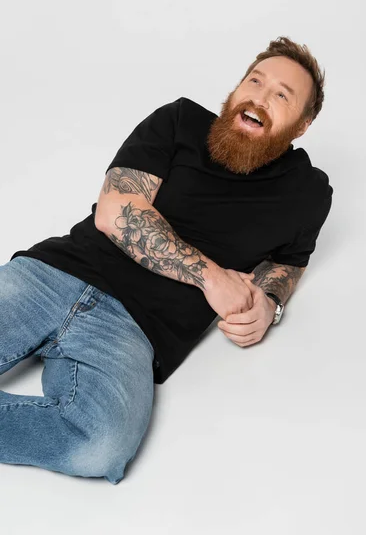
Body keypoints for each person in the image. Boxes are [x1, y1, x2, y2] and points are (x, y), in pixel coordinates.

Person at [0, 36, 333, 484]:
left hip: (135, 330)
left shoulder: (308, 193)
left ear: (303, 125)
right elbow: (116, 211)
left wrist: (268, 305)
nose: (259, 96)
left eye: (281, 94)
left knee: (100, 444)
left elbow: (289, 263)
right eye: (254, 81)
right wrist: (213, 278)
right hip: (53, 277)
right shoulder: (180, 120)